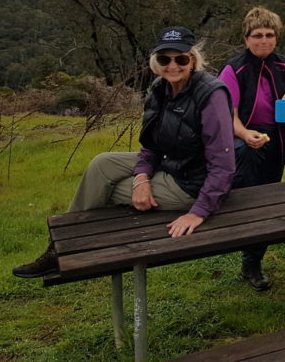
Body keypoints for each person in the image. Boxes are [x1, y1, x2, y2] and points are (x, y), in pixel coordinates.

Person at [13, 27, 235, 279]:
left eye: (181, 59)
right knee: (101, 164)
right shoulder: (160, 89)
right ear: (156, 62)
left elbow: (224, 165)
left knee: (101, 188)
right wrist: (141, 179)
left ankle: (65, 250)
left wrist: (197, 213)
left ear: (193, 61)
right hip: (172, 165)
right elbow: (151, 145)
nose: (172, 66)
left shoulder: (211, 94)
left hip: (192, 184)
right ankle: (63, 245)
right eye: (165, 59)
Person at [218, 6, 285, 291]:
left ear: (276, 37)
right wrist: (244, 134)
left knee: (268, 200)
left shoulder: (284, 65)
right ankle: (250, 264)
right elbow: (228, 115)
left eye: (269, 34)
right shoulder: (234, 69)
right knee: (251, 201)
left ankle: (254, 260)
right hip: (245, 142)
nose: (263, 40)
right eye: (257, 35)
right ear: (246, 38)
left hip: (277, 139)